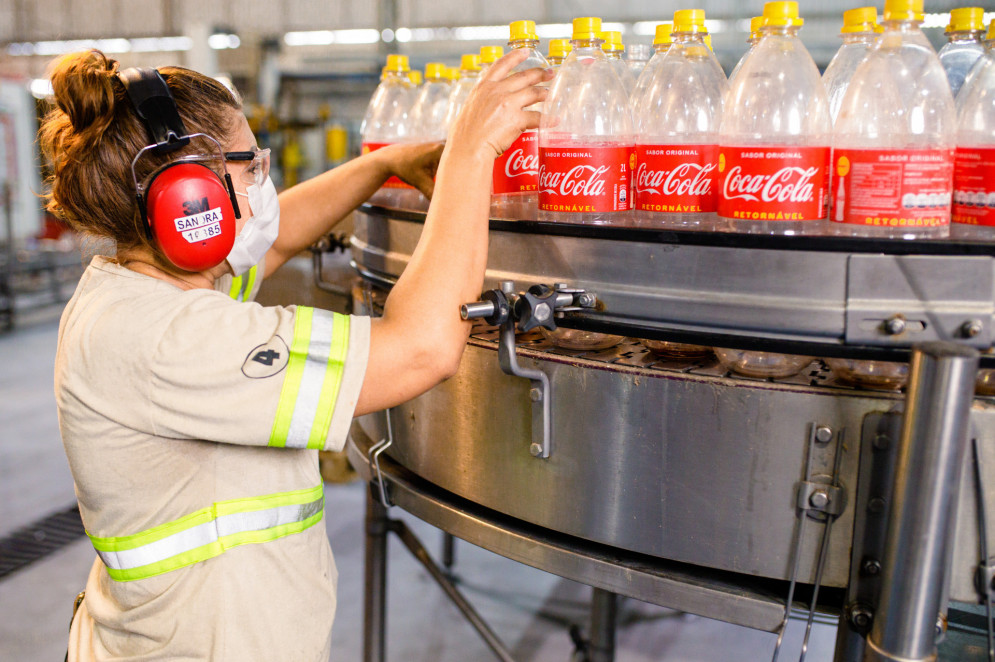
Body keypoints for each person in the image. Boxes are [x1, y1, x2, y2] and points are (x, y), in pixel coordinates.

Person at [44, 48, 548, 661]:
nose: (265, 178)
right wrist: (474, 154)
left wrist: (386, 164)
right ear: (187, 196)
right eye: (249, 163)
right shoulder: (166, 338)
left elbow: (277, 237)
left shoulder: (145, 286)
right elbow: (419, 350)